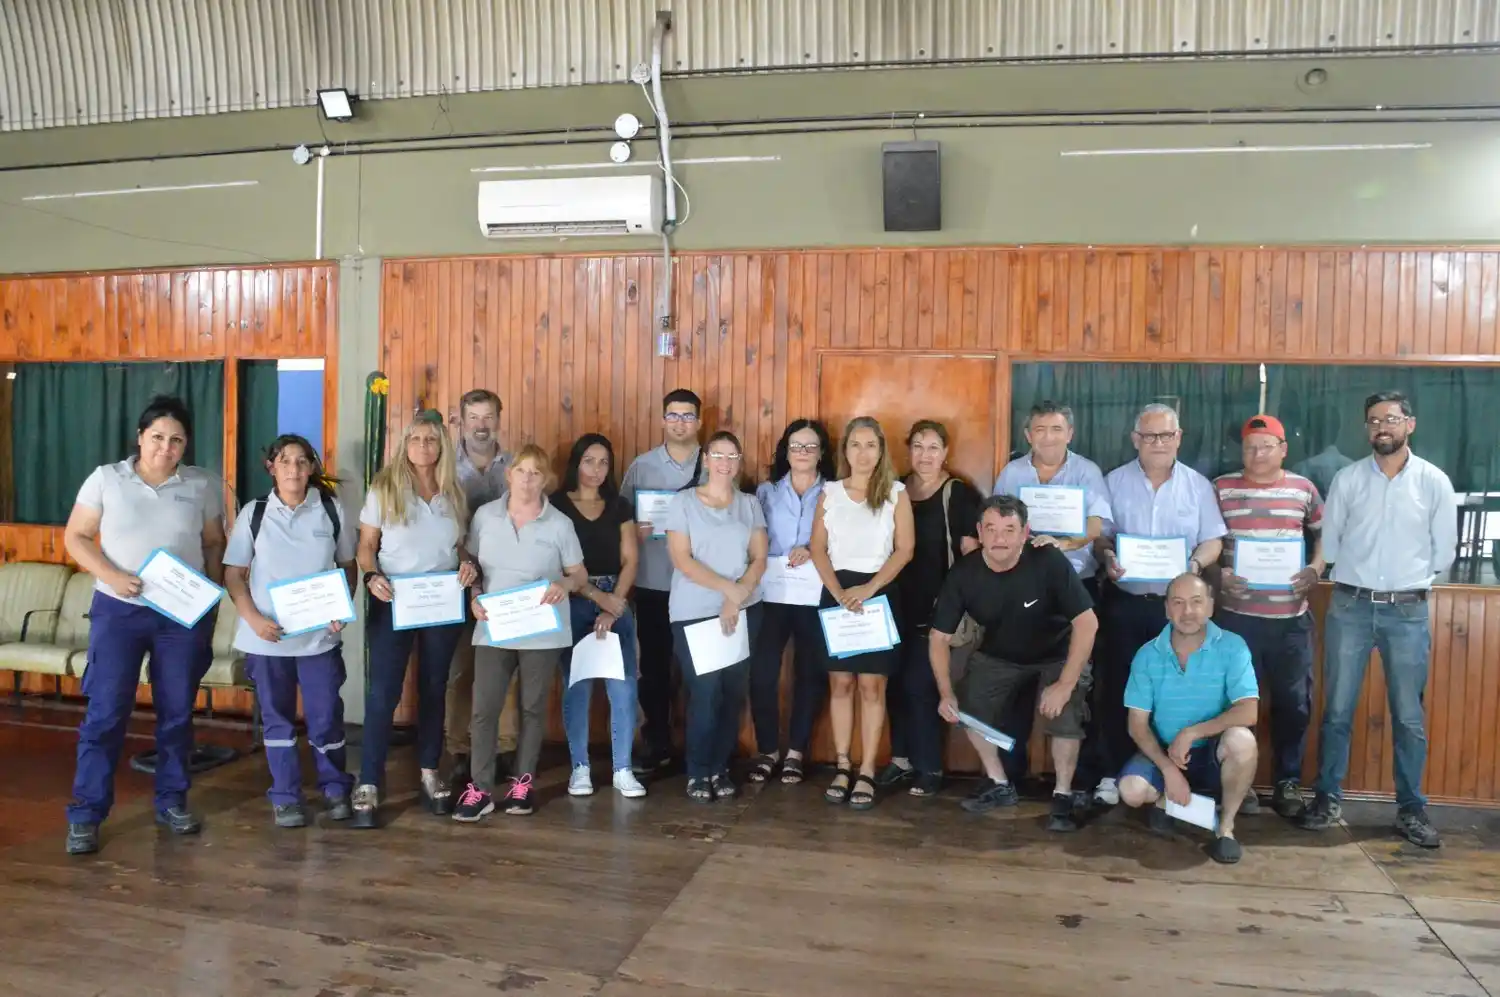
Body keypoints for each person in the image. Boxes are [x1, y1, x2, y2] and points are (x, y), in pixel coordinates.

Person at [63, 396, 227, 856]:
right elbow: (75, 536)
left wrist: (208, 596)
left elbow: (214, 542)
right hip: (119, 611)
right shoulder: (106, 479)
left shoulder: (202, 485)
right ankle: (86, 814)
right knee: (106, 712)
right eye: (157, 437)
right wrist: (113, 576)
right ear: (140, 437)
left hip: (181, 616)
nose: (165, 447)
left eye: (176, 440)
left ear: (186, 444)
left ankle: (172, 800)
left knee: (176, 712)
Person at [1301, 391, 1457, 848]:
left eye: (1390, 419)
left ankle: (1411, 808)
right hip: (1350, 605)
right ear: (1366, 428)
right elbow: (1329, 543)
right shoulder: (1348, 480)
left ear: (1410, 424)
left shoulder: (1434, 482)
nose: (1381, 427)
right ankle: (1327, 798)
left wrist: (1410, 580)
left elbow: (1444, 550)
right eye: (1373, 420)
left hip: (1407, 609)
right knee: (1338, 711)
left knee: (1409, 716)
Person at [930, 495, 1098, 832]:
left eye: (1009, 530)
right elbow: (938, 638)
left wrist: (1065, 684)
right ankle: (999, 783)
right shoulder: (964, 573)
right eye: (991, 529)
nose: (999, 539)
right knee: (967, 705)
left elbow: (1087, 623)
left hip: (1058, 652)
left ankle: (1063, 794)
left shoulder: (1047, 560)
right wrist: (945, 693)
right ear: (979, 531)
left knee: (1066, 711)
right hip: (1001, 653)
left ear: (1025, 533)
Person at [1094, 403, 1227, 807]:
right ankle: (1110, 773)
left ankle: (1175, 777)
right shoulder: (1112, 482)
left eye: (1166, 436)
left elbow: (1213, 540)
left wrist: (1193, 564)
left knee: (1177, 693)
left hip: (1178, 611)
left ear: (1179, 438)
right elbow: (1101, 535)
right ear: (1135, 439)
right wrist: (1107, 557)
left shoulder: (1198, 486)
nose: (1158, 443)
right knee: (1115, 689)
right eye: (1149, 436)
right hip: (1125, 603)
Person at [223, 434, 357, 828]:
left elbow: (347, 565)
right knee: (278, 721)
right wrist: (252, 618)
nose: (294, 470)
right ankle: (285, 797)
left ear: (312, 467)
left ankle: (335, 789)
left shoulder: (330, 510)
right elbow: (233, 572)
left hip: (318, 639)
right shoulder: (255, 513)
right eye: (285, 462)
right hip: (268, 640)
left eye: (301, 462)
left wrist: (340, 609)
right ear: (272, 467)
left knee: (326, 717)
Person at [354, 411, 478, 829]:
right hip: (394, 598)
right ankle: (369, 780)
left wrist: (468, 565)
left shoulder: (453, 491)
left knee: (434, 687)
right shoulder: (384, 488)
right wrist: (371, 576)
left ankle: (429, 769)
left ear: (442, 445)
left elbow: (459, 546)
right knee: (383, 692)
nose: (424, 446)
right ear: (404, 443)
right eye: (416, 439)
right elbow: (366, 546)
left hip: (443, 601)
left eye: (431, 439)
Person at [456, 445, 587, 820]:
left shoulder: (559, 524)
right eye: (521, 471)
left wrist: (564, 582)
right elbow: (473, 565)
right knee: (484, 710)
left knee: (531, 709)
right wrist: (475, 594)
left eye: (536, 473)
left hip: (542, 633)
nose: (528, 479)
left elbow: (578, 573)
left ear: (546, 480)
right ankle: (479, 790)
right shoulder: (485, 516)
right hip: (494, 628)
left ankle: (521, 785)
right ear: (508, 475)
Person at [993, 400, 1113, 797]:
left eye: (1057, 429)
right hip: (1019, 589)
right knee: (1014, 685)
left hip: (1075, 588)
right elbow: (997, 523)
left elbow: (1096, 525)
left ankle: (1070, 783)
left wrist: (1063, 543)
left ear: (1070, 433)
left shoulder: (1086, 471)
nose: (1048, 437)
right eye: (1040, 430)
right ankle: (1010, 777)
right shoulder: (1013, 472)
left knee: (1073, 683)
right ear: (1028, 435)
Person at [1213, 414, 1325, 820]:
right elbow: (1205, 541)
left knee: (1294, 705)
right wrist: (1218, 576)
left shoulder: (1303, 489)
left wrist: (1316, 568)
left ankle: (1287, 782)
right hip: (1236, 621)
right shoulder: (1220, 489)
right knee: (1237, 704)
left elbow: (1325, 534)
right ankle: (1239, 782)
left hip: (1291, 620)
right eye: (1249, 447)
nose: (1257, 454)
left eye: (1266, 446)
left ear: (1283, 449)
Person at [809, 416, 915, 810]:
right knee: (841, 685)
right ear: (845, 450)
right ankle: (842, 765)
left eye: (871, 444)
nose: (863, 452)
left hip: (879, 594)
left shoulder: (896, 493)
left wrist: (868, 591)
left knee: (873, 687)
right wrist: (838, 593)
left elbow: (905, 550)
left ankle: (867, 768)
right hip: (836, 594)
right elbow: (817, 547)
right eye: (856, 444)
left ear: (881, 450)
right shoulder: (830, 492)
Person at [1118, 573, 1260, 865]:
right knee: (1131, 792)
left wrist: (1192, 733)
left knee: (1242, 742)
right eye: (1178, 603)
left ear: (1210, 606)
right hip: (1165, 750)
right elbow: (1137, 725)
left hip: (1211, 752)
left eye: (1196, 602)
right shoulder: (1147, 655)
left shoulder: (1233, 647)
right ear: (1167, 609)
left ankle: (1226, 828)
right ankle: (1168, 799)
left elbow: (1248, 711)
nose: (1187, 612)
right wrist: (1169, 769)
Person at [665, 431, 769, 802]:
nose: (725, 462)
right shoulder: (683, 503)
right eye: (718, 455)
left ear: (739, 462)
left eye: (732, 456)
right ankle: (698, 770)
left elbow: (758, 557)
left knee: (732, 693)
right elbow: (682, 559)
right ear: (705, 459)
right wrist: (729, 591)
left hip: (743, 610)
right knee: (705, 692)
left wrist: (738, 597)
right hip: (695, 611)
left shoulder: (749, 504)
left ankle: (721, 767)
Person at [878, 420, 980, 798]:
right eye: (918, 446)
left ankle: (929, 766)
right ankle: (901, 759)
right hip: (892, 602)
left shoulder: (959, 494)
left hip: (939, 606)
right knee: (892, 684)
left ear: (946, 453)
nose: (925, 455)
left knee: (921, 686)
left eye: (933, 447)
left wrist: (956, 602)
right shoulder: (894, 490)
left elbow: (972, 556)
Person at [553, 434, 649, 799]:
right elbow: (556, 562)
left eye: (604, 462)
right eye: (589, 461)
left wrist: (615, 602)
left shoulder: (619, 505)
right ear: (576, 463)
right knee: (576, 687)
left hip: (617, 597)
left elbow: (631, 560)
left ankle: (623, 768)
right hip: (573, 598)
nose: (596, 469)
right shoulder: (557, 505)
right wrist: (596, 598)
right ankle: (580, 768)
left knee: (623, 688)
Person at [620, 388, 706, 773]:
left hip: (701, 588)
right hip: (654, 584)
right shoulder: (642, 466)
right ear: (662, 420)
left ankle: (699, 747)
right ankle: (657, 742)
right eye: (673, 415)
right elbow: (619, 521)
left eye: (688, 416)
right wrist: (631, 532)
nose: (680, 422)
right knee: (653, 670)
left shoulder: (714, 463)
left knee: (698, 671)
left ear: (699, 422)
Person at [745, 419, 834, 786]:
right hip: (773, 595)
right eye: (796, 446)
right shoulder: (765, 493)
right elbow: (752, 540)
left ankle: (796, 752)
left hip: (815, 594)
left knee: (810, 674)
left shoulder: (835, 493)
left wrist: (814, 547)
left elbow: (842, 539)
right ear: (786, 450)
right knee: (762, 672)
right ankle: (767, 750)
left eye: (810, 446)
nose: (802, 453)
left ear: (821, 453)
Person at [446, 389, 518, 795]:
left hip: (505, 583)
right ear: (461, 422)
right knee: (461, 671)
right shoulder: (443, 467)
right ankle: (458, 750)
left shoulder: (514, 466)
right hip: (456, 580)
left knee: (505, 669)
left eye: (488, 417)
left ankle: (505, 747)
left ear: (498, 420)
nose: (481, 425)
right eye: (473, 417)